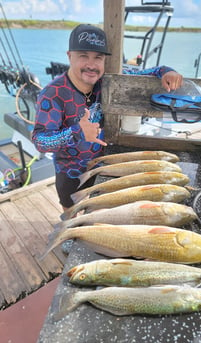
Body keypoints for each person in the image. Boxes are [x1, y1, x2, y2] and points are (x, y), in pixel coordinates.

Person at [32, 24, 183, 212]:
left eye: (98, 57)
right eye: (83, 56)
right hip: (70, 171)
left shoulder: (108, 81)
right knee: (70, 214)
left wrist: (167, 72)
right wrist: (77, 133)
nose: (91, 64)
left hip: (106, 165)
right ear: (70, 56)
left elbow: (150, 72)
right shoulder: (52, 94)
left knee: (101, 211)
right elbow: (40, 141)